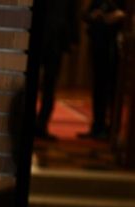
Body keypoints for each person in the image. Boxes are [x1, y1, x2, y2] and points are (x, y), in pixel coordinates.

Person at [78, 0, 126, 140]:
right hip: (99, 43)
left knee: (114, 89)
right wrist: (94, 15)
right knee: (99, 87)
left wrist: (120, 15)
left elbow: (128, 15)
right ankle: (97, 126)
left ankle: (113, 129)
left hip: (117, 47)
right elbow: (85, 15)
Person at [35, 0, 78, 140]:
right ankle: (31, 124)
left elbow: (71, 14)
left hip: (56, 42)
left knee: (50, 86)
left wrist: (73, 39)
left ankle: (42, 125)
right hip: (39, 38)